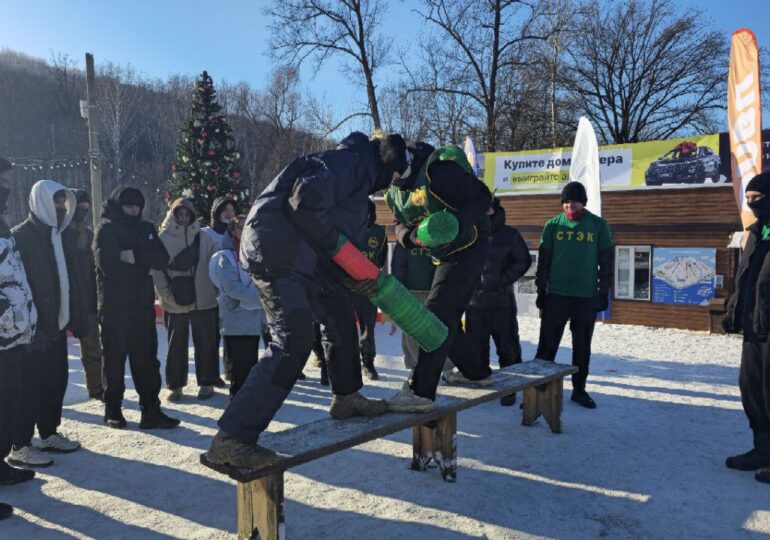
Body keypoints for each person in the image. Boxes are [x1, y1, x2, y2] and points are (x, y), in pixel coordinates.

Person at [207, 132, 404, 469]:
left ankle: (346, 395)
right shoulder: (351, 163)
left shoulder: (357, 185)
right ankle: (232, 439)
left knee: (341, 312)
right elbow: (307, 201)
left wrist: (357, 279)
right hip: (279, 250)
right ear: (389, 167)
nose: (395, 184)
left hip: (305, 257)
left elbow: (334, 242)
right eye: (398, 176)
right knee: (292, 341)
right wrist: (340, 254)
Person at [384, 141, 494, 412]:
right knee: (447, 317)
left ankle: (421, 392)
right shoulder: (393, 191)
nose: (391, 181)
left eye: (394, 175)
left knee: (433, 315)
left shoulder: (439, 171)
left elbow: (482, 197)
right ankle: (475, 372)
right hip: (442, 252)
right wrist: (410, 238)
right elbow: (399, 223)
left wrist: (457, 224)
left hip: (470, 244)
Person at [10, 181, 85, 466]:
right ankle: (20, 443)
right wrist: (31, 326)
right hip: (31, 329)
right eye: (54, 202)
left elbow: (70, 281)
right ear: (39, 202)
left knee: (55, 381)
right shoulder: (22, 237)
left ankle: (49, 432)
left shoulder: (61, 236)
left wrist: (75, 316)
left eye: (62, 202)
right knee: (30, 387)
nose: (59, 208)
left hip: (56, 325)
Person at [94, 186, 179, 430]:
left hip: (142, 306)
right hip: (114, 307)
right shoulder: (106, 230)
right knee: (114, 360)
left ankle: (150, 409)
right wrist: (143, 263)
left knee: (147, 361)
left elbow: (162, 259)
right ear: (119, 205)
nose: (134, 209)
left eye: (137, 205)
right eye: (129, 205)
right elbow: (109, 267)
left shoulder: (146, 228)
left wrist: (133, 256)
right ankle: (113, 409)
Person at [534, 181, 612, 409]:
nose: (570, 206)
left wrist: (603, 291)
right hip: (557, 295)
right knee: (547, 345)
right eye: (566, 202)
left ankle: (579, 389)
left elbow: (606, 262)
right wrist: (541, 289)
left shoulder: (598, 226)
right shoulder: (552, 226)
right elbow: (544, 262)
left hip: (585, 296)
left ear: (583, 202)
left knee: (582, 346)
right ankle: (539, 390)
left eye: (574, 201)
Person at [723, 171, 770, 483]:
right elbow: (744, 277)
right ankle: (762, 450)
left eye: (758, 199)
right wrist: (733, 309)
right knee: (751, 388)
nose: (752, 204)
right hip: (754, 325)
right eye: (748, 199)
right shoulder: (756, 231)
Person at [466, 197, 531, 406]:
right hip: (474, 303)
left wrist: (502, 280)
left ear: (496, 209)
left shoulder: (510, 234)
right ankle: (482, 385)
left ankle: (509, 388)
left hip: (501, 303)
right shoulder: (470, 233)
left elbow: (524, 260)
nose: (485, 212)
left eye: (489, 208)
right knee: (476, 348)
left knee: (507, 348)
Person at [152, 198, 220, 401]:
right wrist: (166, 295)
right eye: (179, 214)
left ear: (192, 215)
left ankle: (207, 381)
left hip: (204, 298)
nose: (183, 218)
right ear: (172, 215)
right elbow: (157, 270)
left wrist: (214, 289)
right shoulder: (162, 238)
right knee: (176, 344)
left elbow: (216, 264)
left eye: (186, 214)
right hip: (175, 300)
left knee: (206, 342)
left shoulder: (204, 238)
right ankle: (175, 385)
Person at [0, 158, 37, 514]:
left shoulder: (3, 224)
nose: (7, 187)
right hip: (2, 330)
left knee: (9, 403)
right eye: (3, 180)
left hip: (11, 334)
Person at [209, 214, 267, 397]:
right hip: (236, 320)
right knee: (239, 371)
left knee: (251, 367)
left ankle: (247, 406)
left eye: (249, 226)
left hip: (254, 320)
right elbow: (232, 288)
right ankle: (238, 411)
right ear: (233, 231)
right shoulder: (224, 257)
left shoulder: (256, 254)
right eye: (241, 227)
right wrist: (263, 299)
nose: (246, 230)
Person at [67, 189, 104, 401]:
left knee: (92, 348)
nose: (82, 211)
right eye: (78, 207)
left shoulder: (89, 234)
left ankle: (97, 388)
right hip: (64, 299)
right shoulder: (58, 234)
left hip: (87, 298)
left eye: (85, 207)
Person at [353, 199, 387, 380]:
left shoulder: (379, 233)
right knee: (342, 328)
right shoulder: (346, 229)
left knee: (368, 329)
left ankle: (368, 363)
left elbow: (380, 260)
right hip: (346, 286)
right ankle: (345, 364)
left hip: (368, 288)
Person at [390, 242, 437, 371]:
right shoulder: (404, 238)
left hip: (435, 292)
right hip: (411, 293)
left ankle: (444, 367)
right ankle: (415, 367)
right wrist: (398, 292)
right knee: (411, 332)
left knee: (437, 331)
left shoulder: (438, 233)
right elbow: (398, 266)